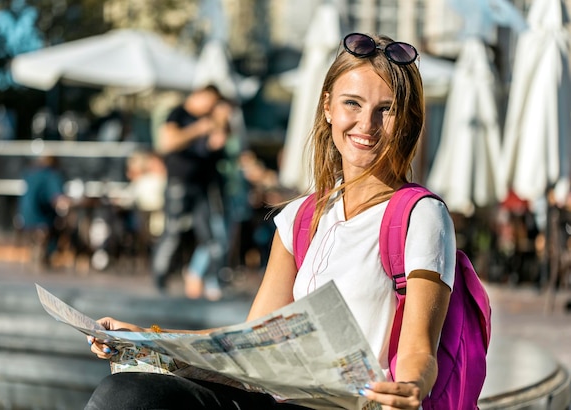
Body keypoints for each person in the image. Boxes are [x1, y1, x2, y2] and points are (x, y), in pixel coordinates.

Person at [85, 33, 455, 410]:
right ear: (328, 107)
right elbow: (249, 341)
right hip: (279, 399)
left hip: (357, 406)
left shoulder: (420, 216)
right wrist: (148, 340)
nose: (367, 124)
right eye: (352, 104)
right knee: (127, 393)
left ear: (406, 120)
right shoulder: (301, 217)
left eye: (386, 110)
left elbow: (419, 351)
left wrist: (411, 386)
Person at [152, 85, 232, 299]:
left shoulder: (210, 118)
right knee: (173, 232)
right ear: (200, 95)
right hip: (179, 181)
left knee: (209, 236)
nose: (211, 107)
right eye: (211, 101)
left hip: (203, 185)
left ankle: (205, 279)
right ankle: (159, 278)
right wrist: (199, 128)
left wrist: (221, 123)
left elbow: (218, 146)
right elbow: (167, 142)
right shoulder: (178, 113)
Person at [17, 155, 70, 267]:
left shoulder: (30, 174)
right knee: (65, 224)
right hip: (40, 220)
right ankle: (50, 255)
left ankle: (39, 253)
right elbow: (59, 201)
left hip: (23, 219)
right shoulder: (51, 176)